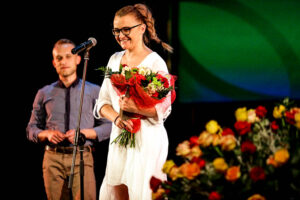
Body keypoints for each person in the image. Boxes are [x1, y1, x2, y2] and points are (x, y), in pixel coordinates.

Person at [93, 3, 173, 200]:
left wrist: (135, 108)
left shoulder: (154, 62)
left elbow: (164, 109)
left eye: (126, 29)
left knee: (141, 192)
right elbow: (102, 103)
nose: (121, 35)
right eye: (116, 30)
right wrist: (117, 119)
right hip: (120, 137)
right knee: (117, 190)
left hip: (146, 140)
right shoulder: (114, 59)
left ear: (142, 28)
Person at [26, 38, 112, 200]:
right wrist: (46, 134)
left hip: (81, 155)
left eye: (68, 56)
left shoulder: (94, 91)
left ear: (78, 59)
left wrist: (86, 133)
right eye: (59, 58)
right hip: (53, 158)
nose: (64, 61)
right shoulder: (44, 92)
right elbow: (31, 128)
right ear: (53, 62)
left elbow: (109, 125)